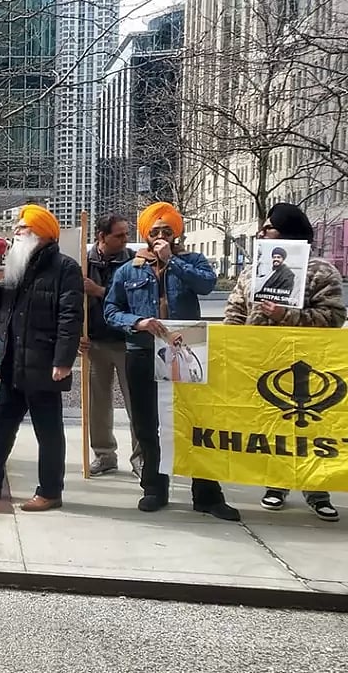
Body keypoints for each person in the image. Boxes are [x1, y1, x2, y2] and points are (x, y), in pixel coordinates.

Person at [105, 201, 239, 521]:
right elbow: (111, 310)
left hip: (187, 346)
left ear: (177, 234)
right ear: (146, 235)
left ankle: (206, 493)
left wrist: (172, 262)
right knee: (147, 422)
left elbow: (206, 285)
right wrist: (137, 322)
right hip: (142, 350)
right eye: (155, 232)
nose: (161, 236)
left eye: (167, 231)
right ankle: (154, 487)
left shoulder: (191, 261)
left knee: (195, 421)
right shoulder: (129, 269)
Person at [0, 204, 82, 512]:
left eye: (21, 228)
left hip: (45, 364)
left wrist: (63, 361)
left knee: (48, 432)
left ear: (39, 233)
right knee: (2, 423)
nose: (15, 232)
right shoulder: (19, 265)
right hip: (14, 362)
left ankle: (50, 491)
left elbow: (71, 316)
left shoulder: (65, 268)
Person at [225, 202, 343, 523]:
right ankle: (275, 483)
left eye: (269, 228)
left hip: (307, 366)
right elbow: (235, 311)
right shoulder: (252, 270)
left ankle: (316, 489)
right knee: (270, 426)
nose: (261, 233)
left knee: (309, 428)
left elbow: (333, 317)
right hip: (260, 361)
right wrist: (232, 345)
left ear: (287, 233)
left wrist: (285, 314)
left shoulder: (320, 271)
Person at [83, 214, 140, 477]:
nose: (125, 239)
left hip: (128, 342)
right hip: (96, 342)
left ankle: (141, 457)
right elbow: (71, 303)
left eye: (126, 234)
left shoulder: (134, 262)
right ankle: (104, 455)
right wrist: (76, 335)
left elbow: (135, 301)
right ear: (101, 236)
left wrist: (99, 291)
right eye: (119, 235)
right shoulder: (83, 262)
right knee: (98, 404)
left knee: (136, 403)